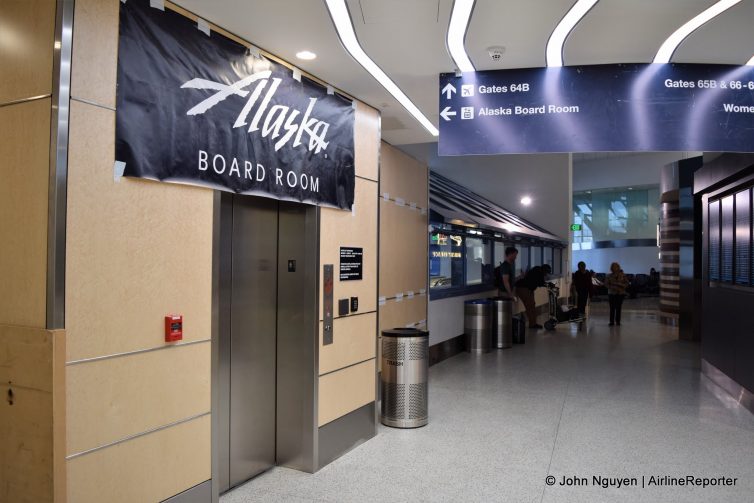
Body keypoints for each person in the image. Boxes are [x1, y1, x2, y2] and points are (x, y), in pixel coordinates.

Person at [515, 263, 552, 329]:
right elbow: (540, 283)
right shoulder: (538, 271)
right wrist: (548, 284)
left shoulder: (537, 270)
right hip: (523, 288)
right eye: (546, 272)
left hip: (528, 289)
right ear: (544, 270)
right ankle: (532, 324)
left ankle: (533, 323)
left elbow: (540, 282)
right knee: (529, 306)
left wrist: (547, 284)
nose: (546, 274)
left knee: (532, 306)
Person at [606, 262, 629, 326]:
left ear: (618, 267)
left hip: (620, 293)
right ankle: (611, 322)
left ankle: (618, 321)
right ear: (611, 268)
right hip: (611, 293)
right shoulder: (609, 276)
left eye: (616, 267)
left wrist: (622, 285)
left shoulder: (623, 275)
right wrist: (611, 287)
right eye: (613, 267)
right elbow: (606, 284)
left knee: (618, 308)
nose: (614, 268)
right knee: (612, 308)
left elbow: (627, 283)